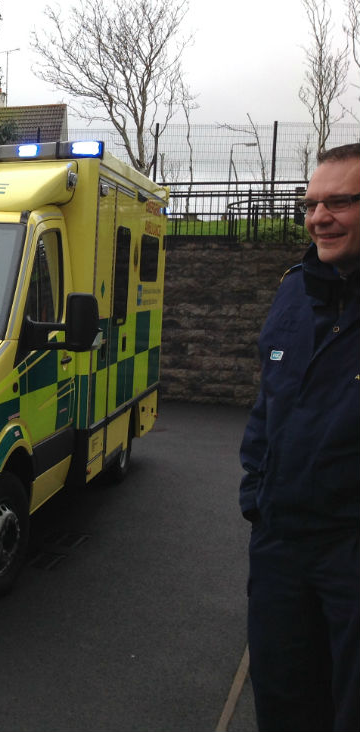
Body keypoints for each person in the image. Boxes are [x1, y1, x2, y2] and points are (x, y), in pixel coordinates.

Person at [239, 141, 360, 732]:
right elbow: (268, 403)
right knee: (284, 697)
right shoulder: (295, 288)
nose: (319, 217)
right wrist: (256, 497)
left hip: (350, 549)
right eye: (311, 204)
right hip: (282, 543)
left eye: (340, 202)